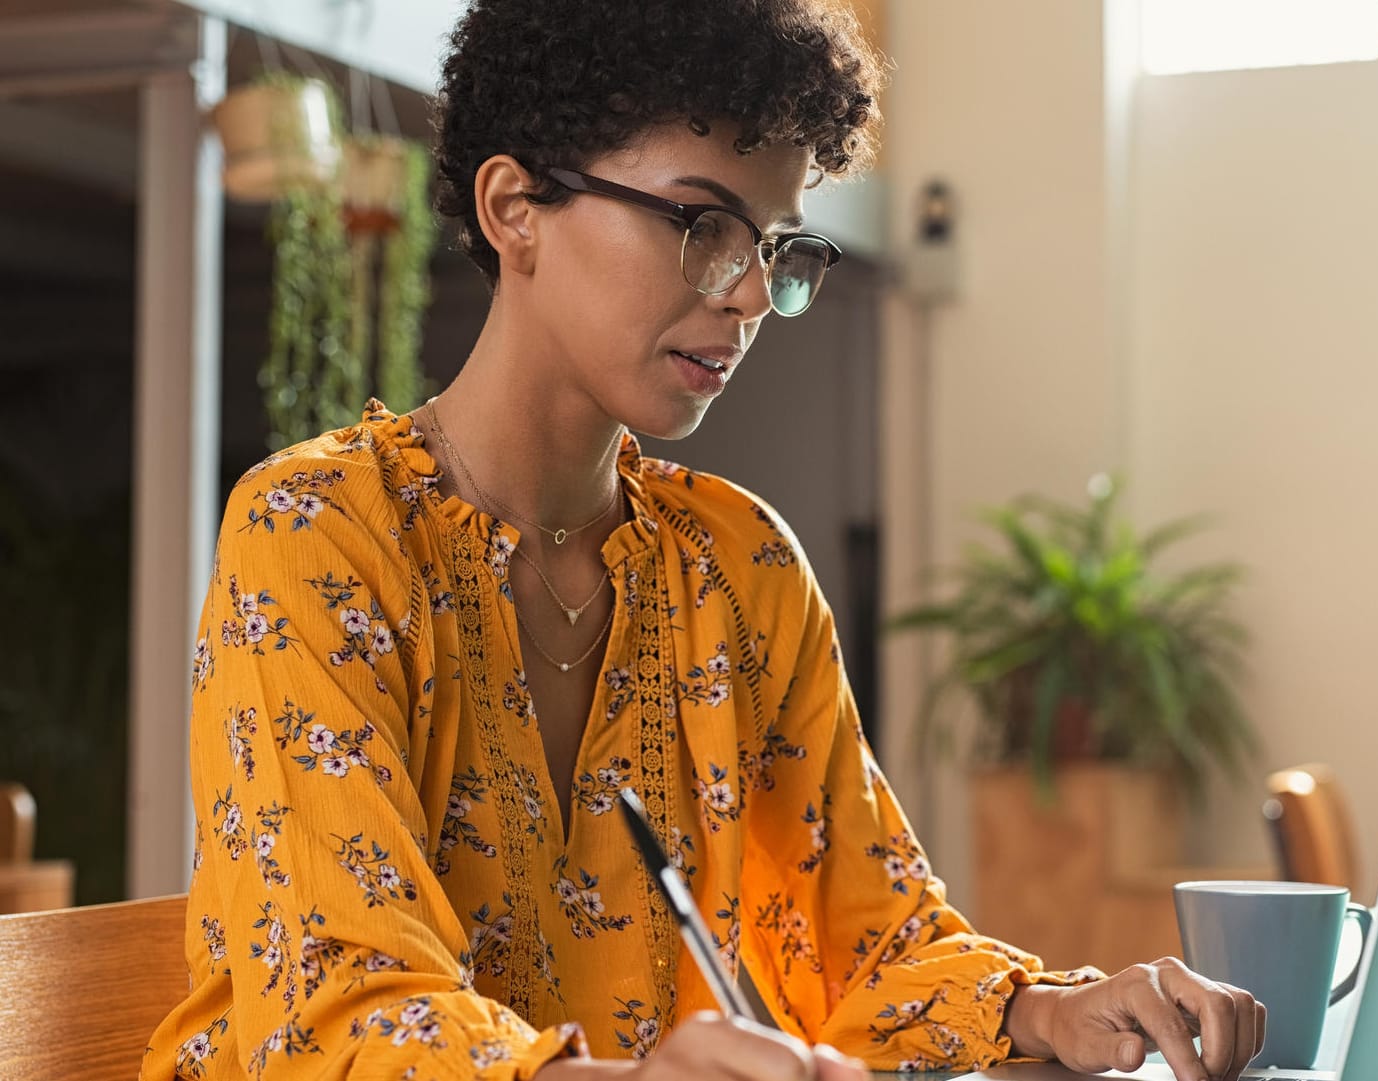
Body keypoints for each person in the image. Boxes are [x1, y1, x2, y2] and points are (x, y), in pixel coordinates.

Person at [143, 2, 1265, 1080]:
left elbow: (870, 936)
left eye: (773, 247)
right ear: (513, 206)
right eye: (702, 226)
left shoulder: (739, 565)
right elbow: (338, 1001)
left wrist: (1052, 1007)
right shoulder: (320, 532)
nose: (747, 299)